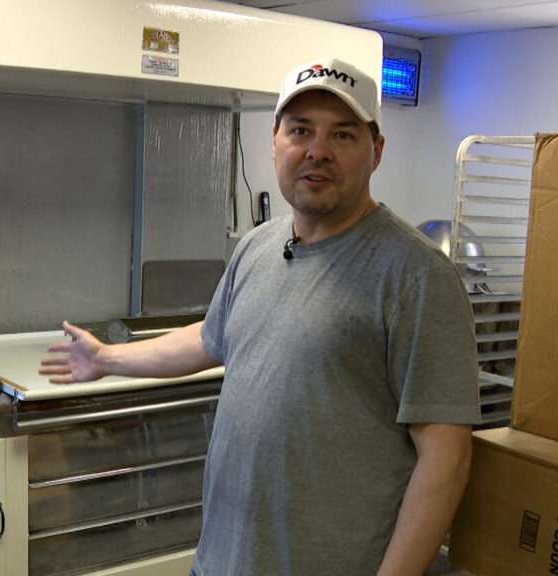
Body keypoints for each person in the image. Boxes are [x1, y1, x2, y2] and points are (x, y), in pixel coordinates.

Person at [39, 58, 479, 576]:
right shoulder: (257, 247)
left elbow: (446, 462)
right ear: (275, 141)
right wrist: (107, 358)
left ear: (376, 151)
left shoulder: (416, 275)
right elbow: (209, 339)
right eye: (300, 131)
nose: (317, 151)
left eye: (342, 134)